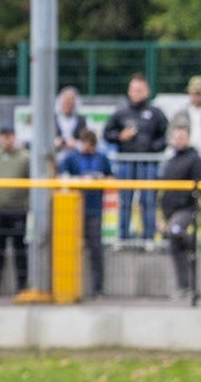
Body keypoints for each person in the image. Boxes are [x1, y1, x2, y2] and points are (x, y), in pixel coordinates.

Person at [104, 75, 168, 242]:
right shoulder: (121, 113)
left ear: (147, 92)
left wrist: (152, 148)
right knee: (125, 201)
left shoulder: (155, 113)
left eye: (140, 90)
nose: (136, 93)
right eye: (133, 90)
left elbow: (165, 137)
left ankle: (149, 239)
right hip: (126, 161)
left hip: (148, 163)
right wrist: (120, 136)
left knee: (148, 201)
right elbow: (107, 134)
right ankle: (123, 238)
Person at [158, 125, 201, 302]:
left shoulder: (194, 159)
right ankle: (183, 287)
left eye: (182, 137)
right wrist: (161, 215)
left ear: (188, 138)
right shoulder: (170, 160)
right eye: (176, 137)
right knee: (175, 249)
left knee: (176, 231)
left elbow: (199, 185)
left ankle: (192, 244)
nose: (178, 140)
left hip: (186, 209)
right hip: (170, 211)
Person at [59, 127, 113, 298]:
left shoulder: (101, 158)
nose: (87, 148)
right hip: (73, 211)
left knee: (96, 250)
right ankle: (71, 289)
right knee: (71, 250)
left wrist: (100, 180)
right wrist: (79, 180)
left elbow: (111, 178)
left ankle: (98, 288)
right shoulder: (71, 157)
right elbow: (61, 177)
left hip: (94, 210)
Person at [0, 125, 31, 297]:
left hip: (17, 209)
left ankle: (22, 286)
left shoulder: (24, 158)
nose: (6, 140)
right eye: (3, 136)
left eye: (9, 136)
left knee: (19, 249)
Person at [51, 87, 85, 156]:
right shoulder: (52, 120)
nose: (68, 104)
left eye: (70, 101)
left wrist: (76, 144)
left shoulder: (82, 121)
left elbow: (88, 143)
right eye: (65, 101)